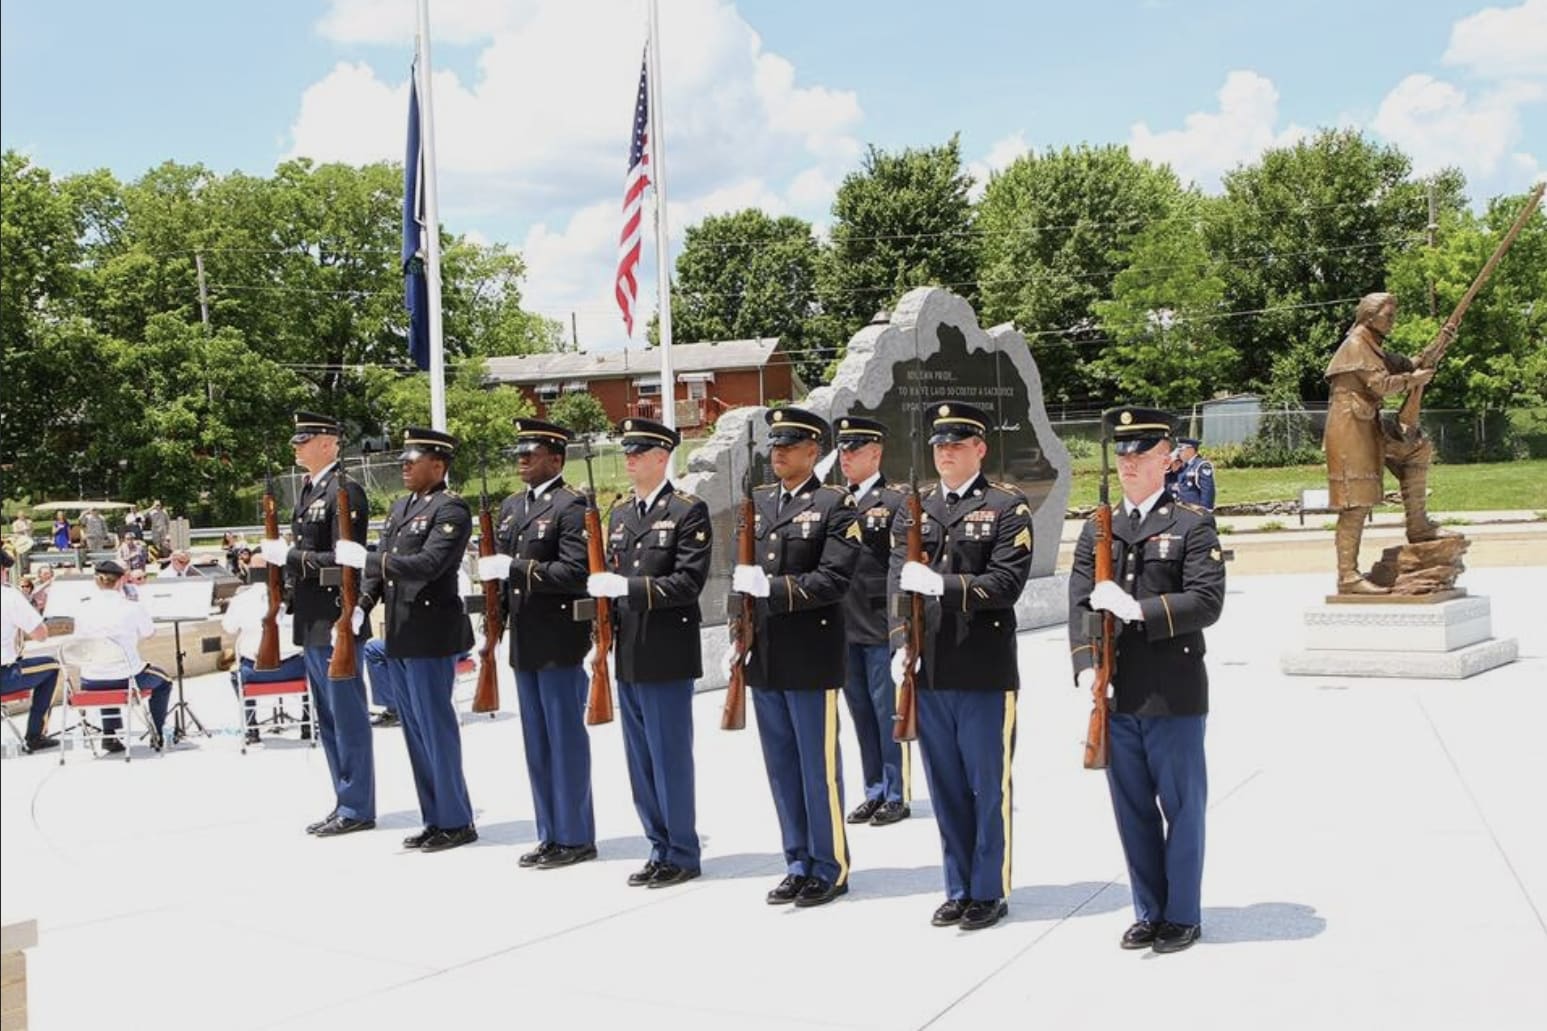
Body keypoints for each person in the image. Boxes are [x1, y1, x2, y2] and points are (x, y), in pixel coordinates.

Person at [1068, 406, 1226, 954]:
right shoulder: (1099, 525)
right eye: (1124, 453)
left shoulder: (1191, 523)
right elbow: (1081, 599)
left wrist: (1138, 611)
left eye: (1142, 453)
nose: (1130, 462)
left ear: (1167, 457)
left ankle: (1182, 913)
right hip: (1116, 689)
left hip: (1173, 688)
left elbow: (1207, 602)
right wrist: (1087, 661)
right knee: (1131, 808)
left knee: (1181, 808)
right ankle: (1148, 909)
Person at [887, 401, 1033, 932]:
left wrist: (943, 586)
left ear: (979, 448)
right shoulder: (915, 509)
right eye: (939, 445)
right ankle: (958, 886)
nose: (945, 452)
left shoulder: (1006, 507)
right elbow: (894, 584)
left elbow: (1005, 585)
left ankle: (989, 889)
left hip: (982, 668)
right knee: (944, 785)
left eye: (956, 444)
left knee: (986, 785)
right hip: (929, 669)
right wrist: (900, 641)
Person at [732, 406, 861, 907]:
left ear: (813, 451)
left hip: (811, 652)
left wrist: (775, 587)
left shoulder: (835, 504)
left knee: (817, 767)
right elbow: (742, 578)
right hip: (764, 653)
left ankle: (830, 866)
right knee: (782, 768)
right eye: (774, 444)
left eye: (789, 444)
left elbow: (834, 579)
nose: (777, 452)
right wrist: (738, 635)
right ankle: (797, 861)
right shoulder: (758, 503)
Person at [584, 417, 711, 888]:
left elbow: (686, 582)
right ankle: (658, 846)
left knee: (669, 756)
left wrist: (627, 588)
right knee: (640, 761)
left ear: (662, 457)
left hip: (667, 651)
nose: (630, 457)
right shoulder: (620, 515)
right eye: (627, 450)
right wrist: (601, 644)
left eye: (639, 450)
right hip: (629, 655)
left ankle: (682, 851)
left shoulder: (686, 512)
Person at [350, 427, 477, 853]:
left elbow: (427, 564)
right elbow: (382, 570)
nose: (404, 465)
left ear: (437, 465)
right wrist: (363, 602)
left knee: (436, 728)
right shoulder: (402, 505)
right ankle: (433, 817)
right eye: (403, 458)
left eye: (413, 458)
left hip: (432, 633)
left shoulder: (452, 509)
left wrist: (369, 558)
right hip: (401, 632)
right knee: (415, 732)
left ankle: (457, 819)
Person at [478, 417, 596, 869]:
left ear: (556, 458)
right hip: (524, 641)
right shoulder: (510, 508)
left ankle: (575, 835)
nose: (522, 460)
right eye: (520, 454)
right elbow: (499, 582)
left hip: (559, 639)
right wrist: (492, 634)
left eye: (532, 454)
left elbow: (575, 574)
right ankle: (549, 832)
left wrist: (512, 568)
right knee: (537, 745)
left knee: (564, 741)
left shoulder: (572, 506)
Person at [259, 411, 375, 838]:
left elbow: (345, 558)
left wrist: (286, 557)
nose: (297, 446)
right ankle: (342, 798)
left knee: (347, 715)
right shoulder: (309, 491)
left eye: (304, 439)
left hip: (335, 617)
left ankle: (357, 803)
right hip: (310, 617)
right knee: (326, 717)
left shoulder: (346, 491)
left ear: (329, 442)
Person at [1323, 292, 1452, 594]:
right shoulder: (1356, 345)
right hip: (1350, 429)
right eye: (1388, 315)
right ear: (1369, 316)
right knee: (1356, 504)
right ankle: (1348, 576)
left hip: (1370, 424)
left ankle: (1418, 526)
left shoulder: (1374, 347)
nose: (1393, 321)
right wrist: (1413, 380)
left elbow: (1409, 363)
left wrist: (1440, 344)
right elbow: (1382, 384)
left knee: (1416, 449)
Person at [834, 415, 911, 827]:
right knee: (860, 711)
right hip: (843, 625)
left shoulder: (895, 501)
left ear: (876, 453)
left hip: (881, 624)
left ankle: (896, 792)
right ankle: (873, 789)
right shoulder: (833, 501)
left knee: (887, 712)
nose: (846, 457)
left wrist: (902, 629)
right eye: (843, 450)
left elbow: (900, 568)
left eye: (855, 449)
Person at [72, 558, 174, 754]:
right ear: (120, 582)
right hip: (127, 679)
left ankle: (110, 735)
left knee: (104, 671)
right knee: (165, 681)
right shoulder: (132, 607)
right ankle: (158, 732)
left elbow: (79, 642)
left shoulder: (82, 609)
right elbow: (149, 633)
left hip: (90, 681)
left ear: (96, 581)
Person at [221, 553, 308, 745]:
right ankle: (307, 723)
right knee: (311, 666)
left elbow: (228, 628)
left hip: (254, 672)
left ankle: (252, 727)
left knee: (236, 674)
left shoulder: (241, 600)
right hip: (293, 670)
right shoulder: (293, 599)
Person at [1, 550, 62, 753]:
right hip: (4, 675)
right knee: (52, 666)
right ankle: (36, 734)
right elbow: (40, 634)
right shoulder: (9, 596)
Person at [1171, 438, 1216, 511]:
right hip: (1182, 508)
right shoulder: (1183, 466)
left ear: (1190, 450)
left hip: (1195, 510)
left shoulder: (1202, 465)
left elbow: (1208, 489)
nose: (1179, 453)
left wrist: (1206, 510)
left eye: (1181, 450)